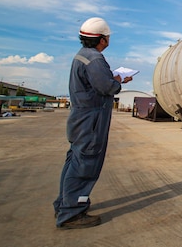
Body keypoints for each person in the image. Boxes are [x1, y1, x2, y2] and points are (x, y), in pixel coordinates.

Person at [53, 17, 132, 229]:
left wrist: (111, 80)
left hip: (81, 118)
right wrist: (118, 81)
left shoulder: (81, 56)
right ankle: (71, 214)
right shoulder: (95, 59)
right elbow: (107, 88)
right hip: (92, 121)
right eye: (107, 37)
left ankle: (64, 204)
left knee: (75, 162)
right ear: (102, 39)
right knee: (85, 165)